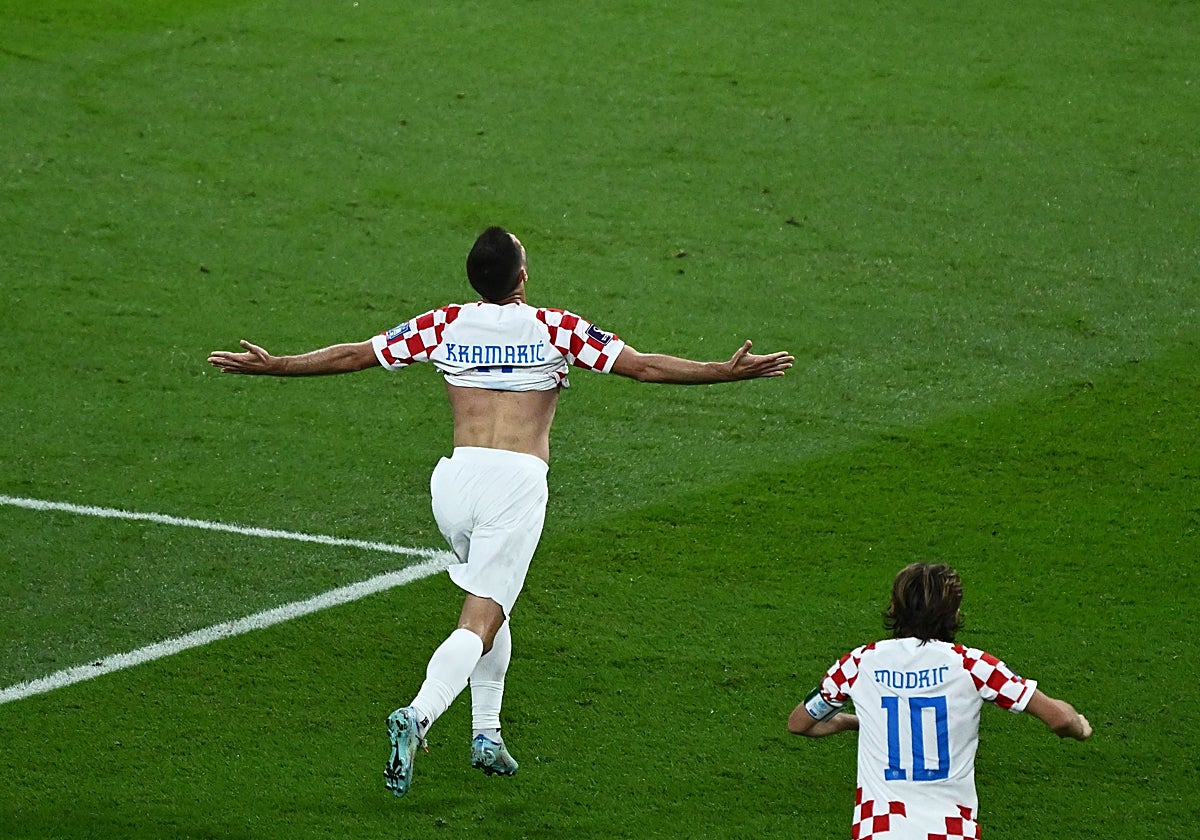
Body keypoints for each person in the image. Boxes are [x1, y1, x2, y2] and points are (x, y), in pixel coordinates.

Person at [208, 226, 794, 798]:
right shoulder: (555, 327)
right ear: (523, 277)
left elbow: (355, 355)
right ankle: (419, 714)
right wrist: (726, 370)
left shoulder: (444, 323)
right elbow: (642, 366)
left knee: (497, 600)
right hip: (514, 482)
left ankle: (486, 733)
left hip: (454, 482)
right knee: (479, 617)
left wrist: (279, 363)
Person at [787, 562, 1091, 838]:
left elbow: (800, 723)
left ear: (894, 607)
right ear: (954, 614)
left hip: (879, 831)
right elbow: (1060, 718)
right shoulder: (973, 667)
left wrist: (856, 723)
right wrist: (1079, 725)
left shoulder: (859, 664)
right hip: (951, 832)